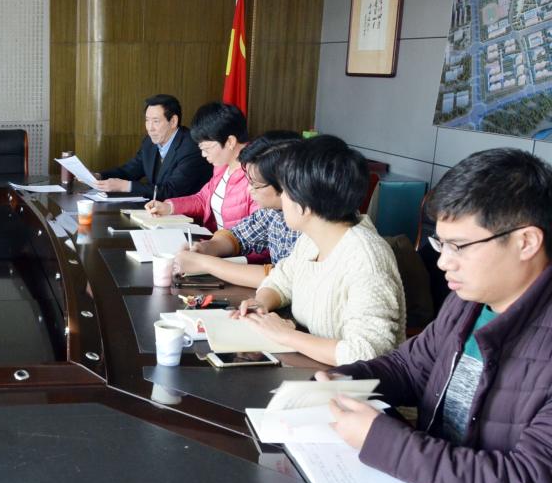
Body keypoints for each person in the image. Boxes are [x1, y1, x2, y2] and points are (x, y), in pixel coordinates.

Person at [323, 148, 552, 483]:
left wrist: (381, 440)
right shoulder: (468, 302)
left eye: (459, 246)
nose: (444, 262)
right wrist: (347, 379)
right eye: (440, 244)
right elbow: (411, 366)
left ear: (526, 242)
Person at [234, 135, 405, 366]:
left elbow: (366, 352)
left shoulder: (366, 258)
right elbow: (281, 280)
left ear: (305, 205)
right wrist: (261, 303)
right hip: (315, 371)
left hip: (352, 383)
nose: (282, 199)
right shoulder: (312, 240)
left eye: (285, 192)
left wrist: (286, 336)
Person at [173, 131, 302, 286]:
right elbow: (237, 237)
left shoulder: (307, 220)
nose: (249, 190)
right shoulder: (271, 212)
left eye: (255, 185)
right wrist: (205, 248)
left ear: (286, 183)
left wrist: (206, 264)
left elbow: (286, 279)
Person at [144, 102, 259, 239]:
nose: (203, 155)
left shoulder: (257, 177)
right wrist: (169, 207)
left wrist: (214, 247)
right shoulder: (222, 166)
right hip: (215, 244)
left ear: (230, 142)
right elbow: (203, 199)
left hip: (232, 250)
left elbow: (258, 236)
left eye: (207, 149)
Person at [94, 94, 210, 200]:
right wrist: (99, 176)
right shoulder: (150, 142)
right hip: (157, 210)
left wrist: (126, 186)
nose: (150, 128)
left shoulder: (191, 147)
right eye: (147, 120)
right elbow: (129, 171)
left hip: (185, 213)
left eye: (156, 121)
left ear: (173, 121)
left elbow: (171, 191)